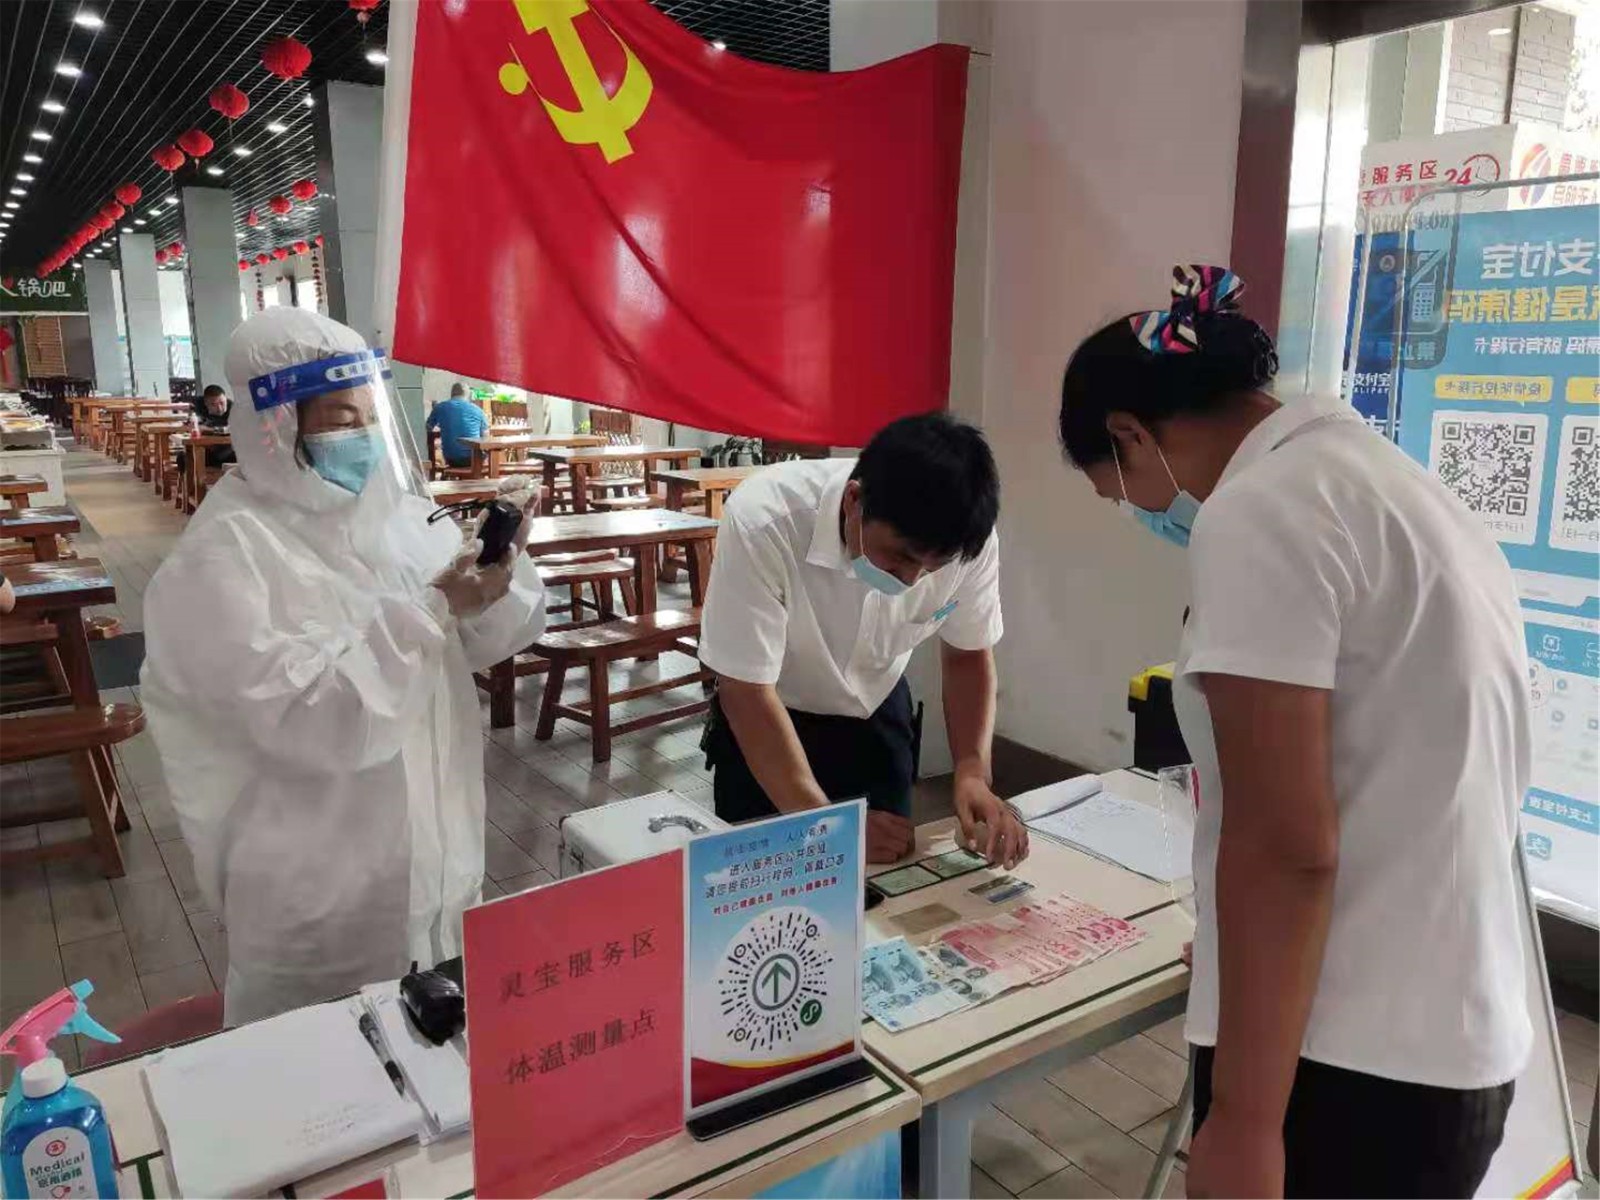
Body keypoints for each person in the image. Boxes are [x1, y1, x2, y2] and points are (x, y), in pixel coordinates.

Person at [1058, 265, 1530, 1197]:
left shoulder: (1260, 511)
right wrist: (1247, 957)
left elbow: (1284, 846)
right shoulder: (1393, 483)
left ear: (1130, 434)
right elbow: (1395, 773)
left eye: (1123, 492)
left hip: (1349, 1065)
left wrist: (1241, 1121)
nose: (1145, 513)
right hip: (1452, 1029)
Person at [140, 309, 547, 1026]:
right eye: (339, 418)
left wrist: (496, 576)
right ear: (274, 425)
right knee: (325, 1071)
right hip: (321, 909)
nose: (362, 436)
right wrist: (434, 608)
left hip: (437, 871)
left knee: (441, 1064)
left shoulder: (398, 519)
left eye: (370, 416)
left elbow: (484, 642)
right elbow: (319, 725)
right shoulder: (223, 560)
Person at [699, 413, 1028, 867]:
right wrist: (830, 829)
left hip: (877, 712)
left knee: (887, 877)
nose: (911, 581)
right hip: (769, 721)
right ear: (855, 501)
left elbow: (967, 655)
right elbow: (745, 691)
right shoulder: (765, 520)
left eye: (930, 570)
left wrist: (972, 771)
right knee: (767, 881)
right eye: (899, 558)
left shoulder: (967, 544)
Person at [426, 382, 490, 471]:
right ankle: (483, 475)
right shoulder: (478, 410)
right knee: (486, 455)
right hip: (474, 458)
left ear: (452, 393)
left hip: (451, 459)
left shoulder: (440, 407)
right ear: (467, 395)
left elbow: (427, 428)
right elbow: (485, 438)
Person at [178, 384, 236, 473]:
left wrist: (210, 429)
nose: (219, 408)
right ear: (205, 403)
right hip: (205, 448)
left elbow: (233, 429)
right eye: (213, 405)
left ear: (225, 398)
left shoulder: (233, 408)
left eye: (222, 403)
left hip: (226, 449)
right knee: (184, 459)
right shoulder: (197, 405)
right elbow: (191, 423)